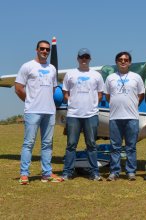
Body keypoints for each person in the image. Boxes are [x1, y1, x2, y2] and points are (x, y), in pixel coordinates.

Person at [15, 40, 63, 185]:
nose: (45, 51)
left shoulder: (52, 69)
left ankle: (46, 173)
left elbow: (54, 89)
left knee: (47, 144)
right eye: (42, 49)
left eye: (47, 49)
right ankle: (24, 174)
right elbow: (18, 88)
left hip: (49, 111)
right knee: (29, 143)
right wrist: (29, 101)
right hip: (33, 111)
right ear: (36, 49)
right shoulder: (27, 66)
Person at [61, 48, 104, 181]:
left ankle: (94, 172)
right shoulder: (70, 74)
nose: (84, 59)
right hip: (74, 114)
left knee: (91, 144)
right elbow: (65, 92)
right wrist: (72, 102)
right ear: (78, 58)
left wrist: (92, 104)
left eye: (86, 57)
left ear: (90, 59)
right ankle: (67, 172)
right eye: (81, 57)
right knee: (71, 144)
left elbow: (100, 93)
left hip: (91, 114)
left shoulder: (96, 75)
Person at [104, 51, 144, 181]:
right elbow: (108, 95)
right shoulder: (110, 78)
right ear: (116, 62)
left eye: (126, 60)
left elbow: (141, 94)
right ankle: (114, 172)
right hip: (115, 117)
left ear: (130, 62)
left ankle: (130, 171)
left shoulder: (136, 77)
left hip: (132, 117)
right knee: (115, 146)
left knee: (130, 146)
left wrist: (132, 105)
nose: (123, 62)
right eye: (120, 59)